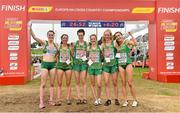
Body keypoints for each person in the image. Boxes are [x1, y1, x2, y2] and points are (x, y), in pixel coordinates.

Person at [30, 25, 58, 109]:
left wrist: (57, 61)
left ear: (54, 36)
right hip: (45, 64)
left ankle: (51, 100)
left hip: (53, 65)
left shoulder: (56, 45)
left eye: (52, 35)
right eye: (49, 35)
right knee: (43, 84)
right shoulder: (44, 43)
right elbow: (34, 37)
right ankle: (41, 102)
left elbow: (59, 54)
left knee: (52, 84)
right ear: (47, 36)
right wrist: (30, 28)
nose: (50, 36)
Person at [114, 31, 138, 107]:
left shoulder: (126, 42)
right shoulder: (117, 45)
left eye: (119, 35)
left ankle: (135, 100)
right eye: (116, 36)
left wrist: (131, 35)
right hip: (120, 65)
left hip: (128, 63)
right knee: (123, 83)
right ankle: (125, 100)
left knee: (130, 83)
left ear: (122, 35)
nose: (118, 37)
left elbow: (135, 43)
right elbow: (117, 55)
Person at [101, 29, 120, 106]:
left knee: (115, 82)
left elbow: (118, 51)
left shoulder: (114, 43)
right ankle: (108, 99)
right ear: (104, 36)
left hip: (114, 65)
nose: (107, 36)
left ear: (110, 35)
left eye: (108, 35)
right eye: (105, 35)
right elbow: (103, 55)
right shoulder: (102, 45)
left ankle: (116, 99)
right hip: (106, 66)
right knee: (106, 82)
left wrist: (117, 60)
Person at [56, 34, 73, 105]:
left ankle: (68, 99)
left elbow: (73, 56)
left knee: (68, 83)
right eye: (63, 38)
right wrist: (56, 62)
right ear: (61, 39)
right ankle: (58, 99)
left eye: (66, 38)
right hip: (60, 67)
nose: (65, 39)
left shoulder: (70, 47)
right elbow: (55, 55)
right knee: (59, 83)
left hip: (68, 67)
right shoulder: (58, 47)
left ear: (67, 39)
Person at [72, 29, 88, 104]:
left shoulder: (86, 44)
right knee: (77, 81)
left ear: (83, 35)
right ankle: (79, 98)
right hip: (76, 64)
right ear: (77, 35)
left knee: (83, 81)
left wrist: (86, 58)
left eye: (81, 35)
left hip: (83, 64)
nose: (80, 36)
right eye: (79, 35)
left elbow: (88, 54)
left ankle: (84, 97)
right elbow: (72, 54)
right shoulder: (75, 43)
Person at [87, 34, 102, 106]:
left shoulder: (100, 47)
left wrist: (103, 61)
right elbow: (85, 56)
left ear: (96, 39)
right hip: (91, 68)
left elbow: (103, 55)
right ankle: (96, 99)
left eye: (94, 39)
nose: (93, 40)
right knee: (92, 84)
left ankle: (99, 98)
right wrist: (88, 61)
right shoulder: (88, 48)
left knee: (99, 84)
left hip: (98, 67)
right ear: (90, 40)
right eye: (91, 39)